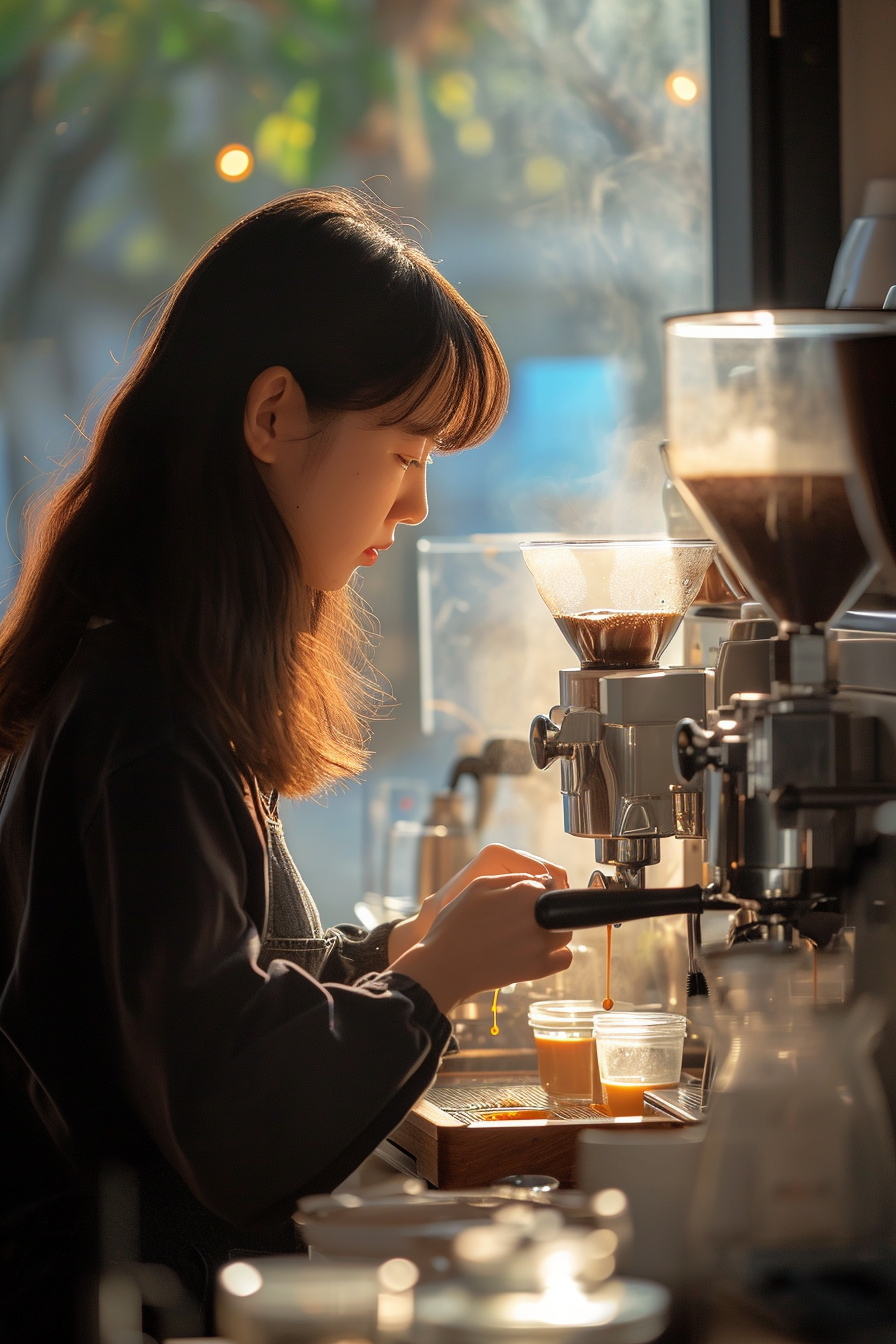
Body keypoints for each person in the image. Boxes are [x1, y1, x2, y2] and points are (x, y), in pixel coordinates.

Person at [0, 188, 572, 1339]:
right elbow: (221, 1111)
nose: (416, 503)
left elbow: (204, 997)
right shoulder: (144, 716)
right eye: (406, 450)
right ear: (273, 416)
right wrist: (429, 987)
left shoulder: (144, 672)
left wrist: (405, 944)